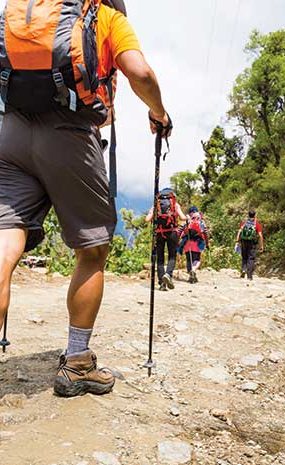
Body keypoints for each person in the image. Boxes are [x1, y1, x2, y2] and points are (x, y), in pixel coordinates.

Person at [0, 1, 171, 397]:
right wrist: (159, 112)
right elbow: (139, 72)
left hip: (10, 135)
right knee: (92, 249)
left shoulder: (21, 14)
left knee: (4, 249)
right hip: (70, 136)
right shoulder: (105, 18)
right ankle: (78, 363)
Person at [146, 188, 187, 291]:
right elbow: (182, 218)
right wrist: (186, 217)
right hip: (172, 232)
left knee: (160, 258)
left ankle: (161, 283)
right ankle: (168, 274)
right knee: (172, 256)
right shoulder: (175, 204)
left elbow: (147, 219)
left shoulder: (156, 204)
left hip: (159, 233)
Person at [178, 206, 209, 284]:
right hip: (198, 242)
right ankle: (194, 270)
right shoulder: (201, 221)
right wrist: (207, 243)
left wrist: (177, 241)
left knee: (189, 259)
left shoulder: (187, 220)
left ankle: (190, 276)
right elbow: (205, 233)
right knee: (197, 259)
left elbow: (179, 231)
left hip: (187, 242)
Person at [236, 211, 264, 281]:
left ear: (248, 215)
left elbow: (239, 231)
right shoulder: (256, 224)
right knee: (251, 258)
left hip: (243, 241)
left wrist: (237, 241)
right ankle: (249, 276)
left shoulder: (244, 223)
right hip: (252, 242)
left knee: (244, 256)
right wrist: (261, 245)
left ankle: (243, 269)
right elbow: (260, 235)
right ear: (255, 215)